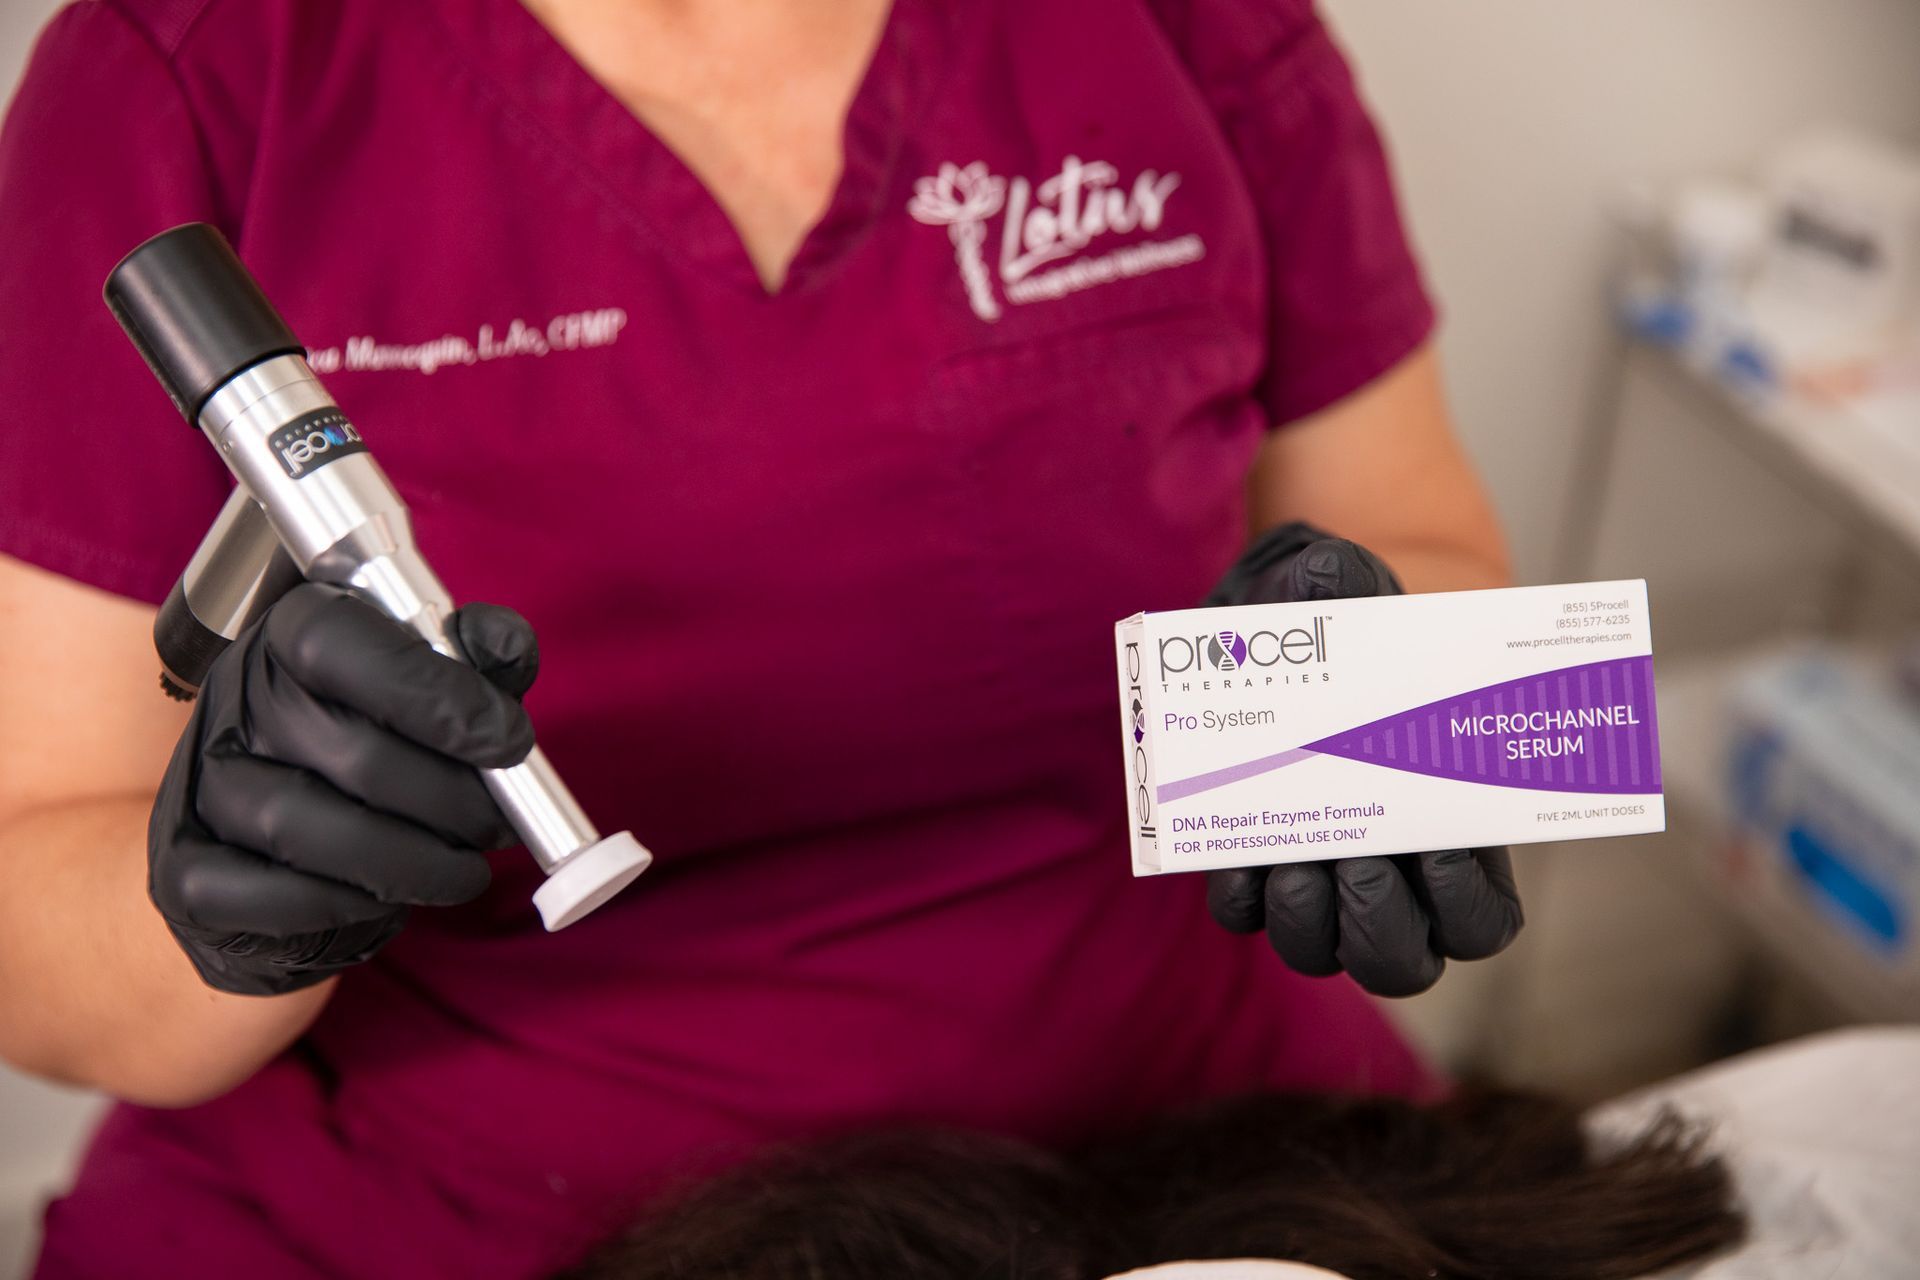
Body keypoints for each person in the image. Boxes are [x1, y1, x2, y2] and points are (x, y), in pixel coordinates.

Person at [0, 1, 1513, 1276]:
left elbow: (1437, 556)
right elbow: (31, 925)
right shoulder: (193, 76)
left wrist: (1390, 715)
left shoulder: (1185, 29)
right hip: (449, 1219)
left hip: (1200, 1160)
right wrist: (235, 899)